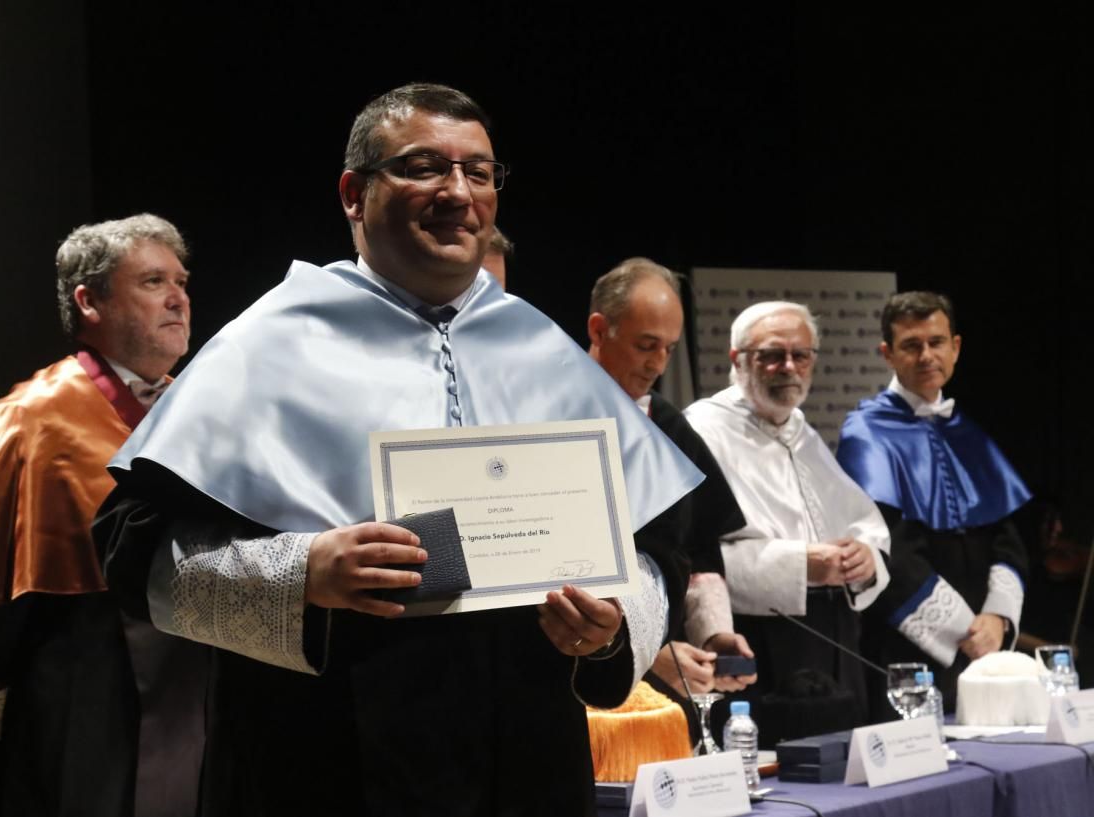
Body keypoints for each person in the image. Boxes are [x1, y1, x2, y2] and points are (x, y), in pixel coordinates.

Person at [94, 83, 704, 816]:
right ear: (355, 194)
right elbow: (133, 548)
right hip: (327, 758)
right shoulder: (270, 344)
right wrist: (301, 572)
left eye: (478, 172)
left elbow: (659, 546)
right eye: (423, 167)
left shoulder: (542, 348)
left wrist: (610, 626)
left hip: (528, 764)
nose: (457, 192)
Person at [0, 214, 207, 817]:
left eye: (181, 281)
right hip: (85, 686)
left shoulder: (201, 403)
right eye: (153, 282)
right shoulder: (30, 416)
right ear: (89, 300)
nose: (179, 296)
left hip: (202, 675)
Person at [683, 301, 890, 745]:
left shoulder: (801, 431)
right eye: (772, 355)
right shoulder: (702, 430)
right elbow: (697, 557)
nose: (789, 367)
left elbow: (864, 523)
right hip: (762, 639)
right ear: (737, 359)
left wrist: (866, 556)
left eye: (802, 355)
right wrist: (801, 565)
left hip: (835, 637)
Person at [837, 291, 1030, 712]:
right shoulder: (866, 432)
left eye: (936, 342)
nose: (927, 356)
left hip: (986, 644)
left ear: (955, 347)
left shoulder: (968, 430)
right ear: (887, 354)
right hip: (908, 646)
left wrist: (997, 620)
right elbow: (886, 545)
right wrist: (963, 630)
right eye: (911, 345)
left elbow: (1006, 536)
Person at [586, 257, 755, 699]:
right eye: (646, 346)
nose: (658, 364)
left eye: (669, 348)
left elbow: (697, 549)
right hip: (580, 675)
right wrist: (644, 648)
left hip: (666, 676)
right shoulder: (546, 417)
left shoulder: (670, 427)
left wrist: (713, 635)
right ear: (600, 330)